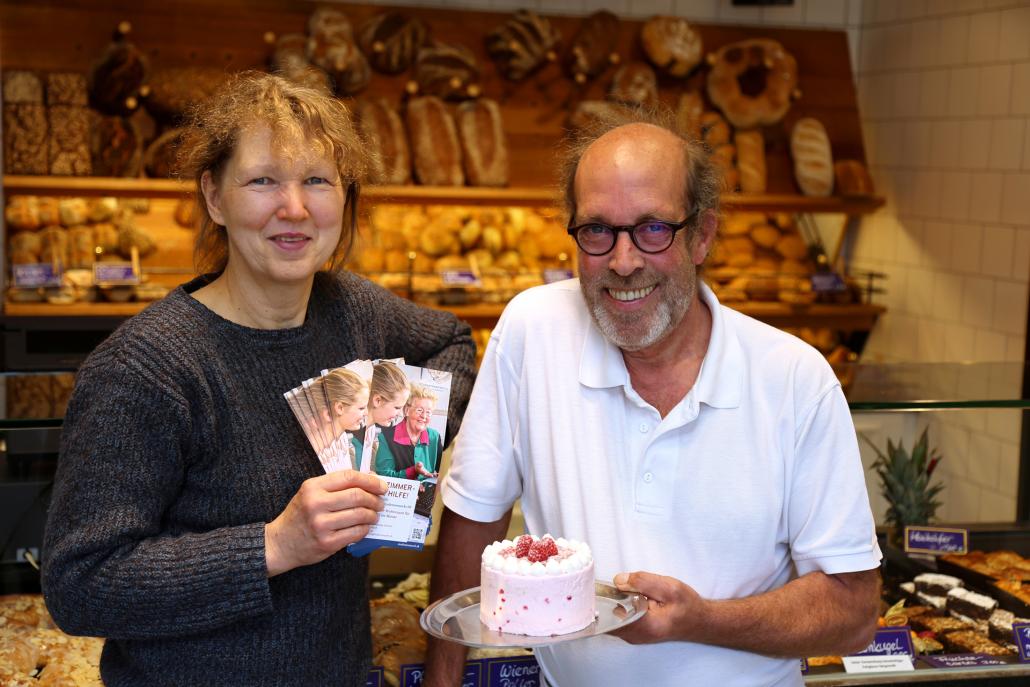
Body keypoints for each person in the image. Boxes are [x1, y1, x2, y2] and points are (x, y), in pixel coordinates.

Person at [41, 72, 475, 687]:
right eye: (263, 180)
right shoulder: (146, 368)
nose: (294, 208)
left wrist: (397, 445)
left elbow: (452, 343)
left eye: (317, 181)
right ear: (214, 197)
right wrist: (274, 545)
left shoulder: (352, 310)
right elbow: (79, 586)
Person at [424, 113, 881, 687]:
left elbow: (854, 612)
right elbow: (473, 514)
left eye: (653, 229)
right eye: (596, 231)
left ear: (703, 235)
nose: (623, 262)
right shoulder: (531, 329)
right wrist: (442, 681)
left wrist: (703, 621)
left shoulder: (794, 378)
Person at [351, 359, 411, 471]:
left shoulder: (371, 429)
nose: (400, 414)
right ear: (377, 400)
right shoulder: (353, 438)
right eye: (397, 407)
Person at [375, 384, 442, 481]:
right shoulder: (387, 437)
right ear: (406, 410)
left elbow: (443, 470)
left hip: (426, 493)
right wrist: (414, 471)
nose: (424, 416)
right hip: (398, 494)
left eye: (428, 412)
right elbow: (384, 476)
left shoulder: (434, 436)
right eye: (419, 410)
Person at [322, 367, 371, 471]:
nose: (367, 413)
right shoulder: (322, 449)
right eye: (362, 408)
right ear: (340, 408)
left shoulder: (342, 438)